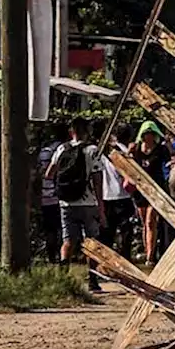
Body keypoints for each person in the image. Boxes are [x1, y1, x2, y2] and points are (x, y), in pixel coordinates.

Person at [45, 119, 104, 292]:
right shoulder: (92, 150)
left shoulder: (62, 149)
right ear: (88, 131)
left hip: (66, 202)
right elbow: (97, 180)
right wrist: (101, 207)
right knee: (91, 241)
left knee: (68, 240)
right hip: (88, 202)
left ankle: (63, 278)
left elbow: (49, 173)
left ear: (71, 131)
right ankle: (92, 280)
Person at [127, 120, 172, 264]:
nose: (149, 137)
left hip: (156, 188)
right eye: (147, 134)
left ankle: (150, 256)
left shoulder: (161, 149)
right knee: (144, 223)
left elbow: (172, 157)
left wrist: (168, 143)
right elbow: (127, 162)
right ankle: (148, 250)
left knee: (150, 220)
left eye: (152, 134)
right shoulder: (136, 149)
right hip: (140, 190)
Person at [98, 128, 136, 261]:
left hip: (106, 196)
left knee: (108, 233)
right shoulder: (123, 150)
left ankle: (108, 261)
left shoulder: (98, 152)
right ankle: (125, 259)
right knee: (125, 232)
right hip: (122, 196)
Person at [37, 125, 66, 263]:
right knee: (62, 228)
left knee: (50, 229)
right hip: (61, 195)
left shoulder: (44, 152)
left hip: (45, 195)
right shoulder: (65, 150)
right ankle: (62, 256)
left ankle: (51, 257)